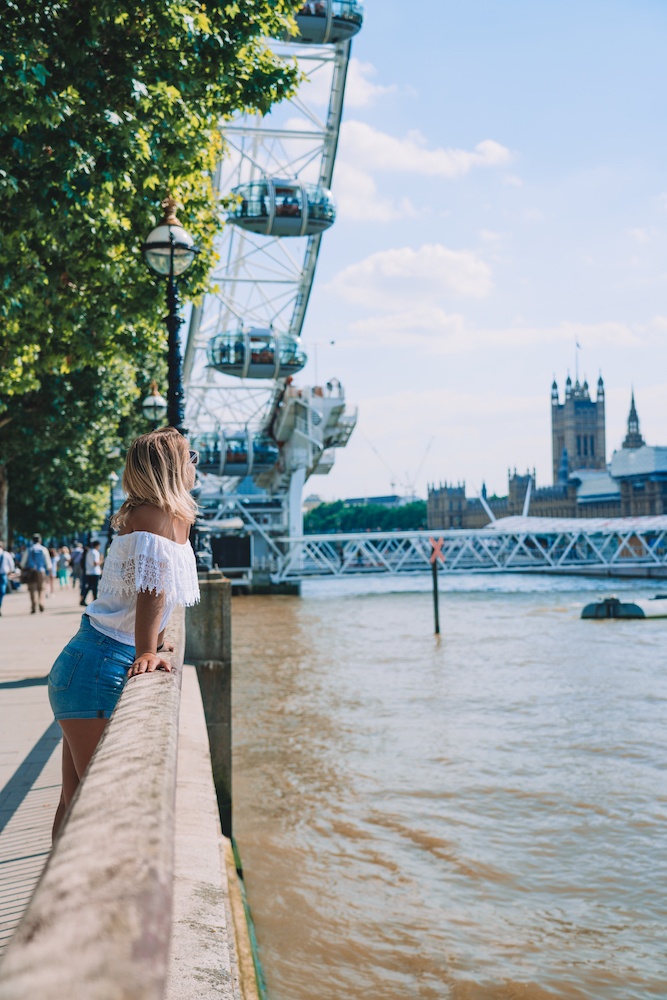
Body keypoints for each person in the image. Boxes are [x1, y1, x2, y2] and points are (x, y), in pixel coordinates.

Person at [47, 428, 200, 840]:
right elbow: (151, 589)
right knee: (96, 808)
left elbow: (158, 592)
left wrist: (159, 638)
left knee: (75, 800)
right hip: (99, 665)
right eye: (191, 458)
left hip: (88, 664)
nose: (195, 465)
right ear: (169, 468)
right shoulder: (156, 516)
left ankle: (62, 897)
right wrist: (147, 651)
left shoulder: (167, 516)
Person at [21, 534, 52, 613]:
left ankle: (33, 605)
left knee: (32, 589)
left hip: (31, 571)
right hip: (41, 571)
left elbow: (23, 563)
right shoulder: (43, 549)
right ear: (40, 540)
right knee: (41, 588)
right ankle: (41, 603)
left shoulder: (29, 549)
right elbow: (48, 562)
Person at [80, 540, 102, 606]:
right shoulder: (95, 552)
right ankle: (95, 600)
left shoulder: (89, 551)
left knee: (89, 586)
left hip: (89, 572)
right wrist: (101, 560)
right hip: (95, 572)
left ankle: (83, 599)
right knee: (94, 587)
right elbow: (95, 563)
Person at [0, 541, 16, 616]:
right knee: (1, 591)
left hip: (3, 575)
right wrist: (10, 572)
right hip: (3, 575)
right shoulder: (6, 555)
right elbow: (11, 566)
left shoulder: (6, 555)